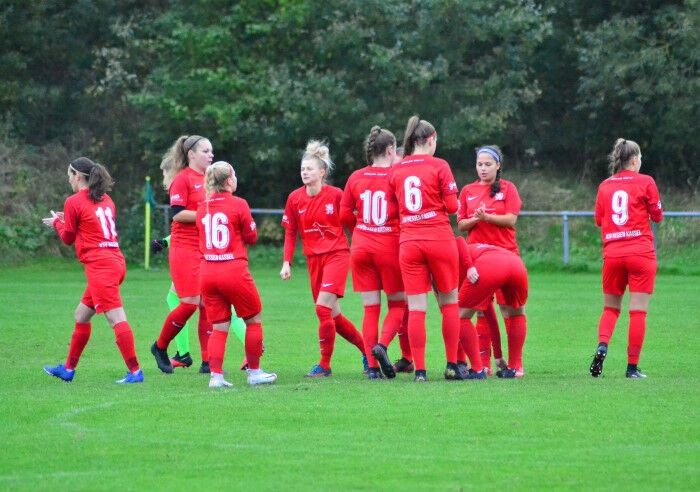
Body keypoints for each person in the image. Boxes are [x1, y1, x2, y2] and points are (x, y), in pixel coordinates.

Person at [42, 157, 143, 384]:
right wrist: (67, 219)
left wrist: (57, 223)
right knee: (81, 315)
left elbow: (68, 238)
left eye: (69, 176)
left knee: (116, 318)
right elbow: (91, 224)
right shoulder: (106, 198)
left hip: (101, 267)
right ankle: (68, 369)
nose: (69, 180)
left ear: (78, 176)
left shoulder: (73, 201)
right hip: (115, 262)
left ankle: (136, 372)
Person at [280, 139, 366, 377]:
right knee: (333, 317)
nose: (304, 172)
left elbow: (352, 224)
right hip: (313, 261)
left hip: (337, 256)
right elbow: (290, 232)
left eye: (309, 169)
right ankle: (368, 353)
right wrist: (286, 262)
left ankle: (324, 365)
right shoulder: (294, 198)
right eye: (302, 169)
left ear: (322, 172)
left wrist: (361, 248)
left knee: (322, 308)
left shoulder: (336, 195)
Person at [387, 115, 462, 382]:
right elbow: (452, 207)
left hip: (409, 242)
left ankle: (420, 371)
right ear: (431, 140)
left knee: (417, 307)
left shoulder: (397, 170)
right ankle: (452, 365)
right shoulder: (440, 165)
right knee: (449, 302)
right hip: (439, 239)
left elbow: (393, 211)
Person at [340, 126, 412, 380]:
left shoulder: (356, 176)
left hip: (361, 247)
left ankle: (371, 368)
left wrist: (359, 232)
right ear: (391, 150)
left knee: (370, 309)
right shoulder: (397, 176)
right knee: (397, 304)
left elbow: (344, 214)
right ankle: (382, 345)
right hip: (389, 246)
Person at [196, 161, 277, 387]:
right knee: (254, 320)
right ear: (229, 180)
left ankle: (216, 376)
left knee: (219, 326)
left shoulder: (203, 207)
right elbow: (252, 237)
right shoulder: (239, 203)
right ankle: (255, 372)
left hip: (208, 272)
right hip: (233, 270)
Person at [590, 138, 663, 379]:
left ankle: (603, 345)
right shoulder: (646, 181)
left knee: (610, 309)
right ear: (633, 161)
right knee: (638, 312)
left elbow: (599, 220)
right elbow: (657, 215)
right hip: (640, 252)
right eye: (640, 158)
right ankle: (632, 368)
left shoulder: (604, 186)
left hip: (613, 254)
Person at [150, 135, 214, 374]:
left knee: (207, 304)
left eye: (211, 151)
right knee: (189, 304)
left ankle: (208, 362)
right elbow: (178, 214)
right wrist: (207, 215)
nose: (211, 155)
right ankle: (160, 346)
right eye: (206, 151)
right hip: (184, 248)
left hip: (205, 248)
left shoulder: (210, 179)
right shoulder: (182, 179)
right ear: (191, 154)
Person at [457, 145, 523, 376]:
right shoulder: (468, 190)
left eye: (487, 164)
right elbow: (461, 225)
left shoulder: (508, 188)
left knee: (510, 309)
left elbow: (511, 220)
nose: (483, 168)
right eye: (479, 164)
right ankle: (483, 363)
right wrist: (476, 219)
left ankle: (516, 364)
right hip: (480, 259)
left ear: (498, 165)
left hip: (507, 255)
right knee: (480, 310)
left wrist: (487, 216)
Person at [151, 235, 250, 370]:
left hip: (204, 256)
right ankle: (194, 357)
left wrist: (165, 242)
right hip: (211, 255)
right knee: (198, 301)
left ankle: (251, 349)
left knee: (219, 306)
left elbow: (191, 228)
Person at [455, 236, 528, 378]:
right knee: (517, 313)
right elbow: (490, 315)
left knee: (459, 316)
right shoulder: (469, 250)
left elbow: (459, 240)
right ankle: (514, 368)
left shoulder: (451, 259)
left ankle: (477, 369)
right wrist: (498, 355)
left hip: (489, 265)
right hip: (516, 263)